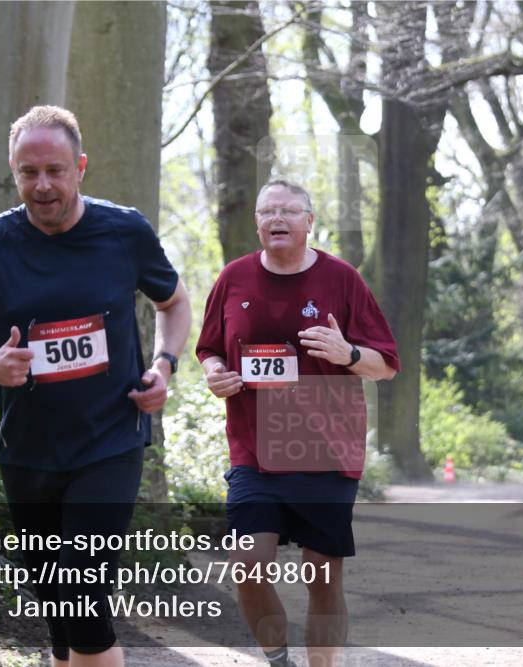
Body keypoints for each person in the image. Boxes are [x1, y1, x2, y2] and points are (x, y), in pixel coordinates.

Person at [0, 105, 190, 667]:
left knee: (83, 598)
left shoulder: (124, 231)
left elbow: (173, 302)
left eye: (55, 170)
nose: (42, 185)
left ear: (81, 167)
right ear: (13, 171)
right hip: (28, 451)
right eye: (28, 172)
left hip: (110, 441)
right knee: (57, 606)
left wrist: (165, 366)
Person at [195, 179, 399, 667]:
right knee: (247, 565)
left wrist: (348, 353)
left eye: (288, 211)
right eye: (267, 212)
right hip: (255, 449)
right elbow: (209, 348)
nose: (277, 219)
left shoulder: (342, 279)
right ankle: (278, 658)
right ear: (257, 223)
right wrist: (214, 374)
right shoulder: (234, 278)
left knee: (323, 577)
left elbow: (387, 364)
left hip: (324, 449)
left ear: (309, 221)